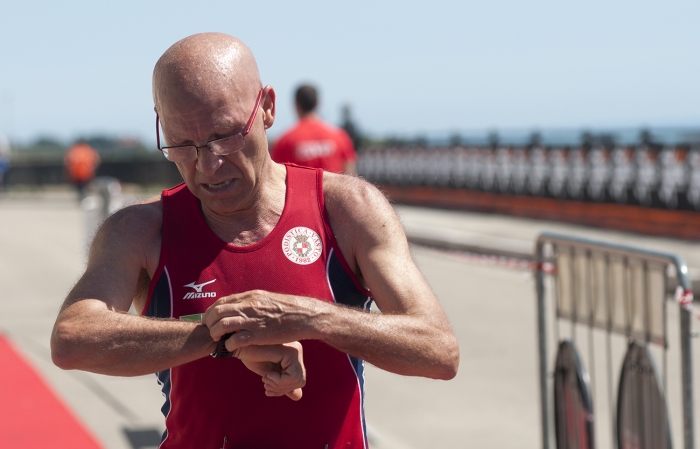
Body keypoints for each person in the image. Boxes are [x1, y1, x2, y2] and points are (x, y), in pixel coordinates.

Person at [51, 33, 459, 448]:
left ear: (266, 108)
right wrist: (223, 335)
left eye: (224, 136)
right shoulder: (141, 229)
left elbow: (438, 350)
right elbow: (72, 338)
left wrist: (313, 319)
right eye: (182, 145)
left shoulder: (349, 208)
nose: (207, 165)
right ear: (160, 126)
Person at [271, 84, 358, 174]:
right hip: (335, 188)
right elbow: (351, 176)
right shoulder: (340, 137)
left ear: (296, 105)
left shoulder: (284, 142)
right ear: (317, 103)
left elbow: (275, 179)